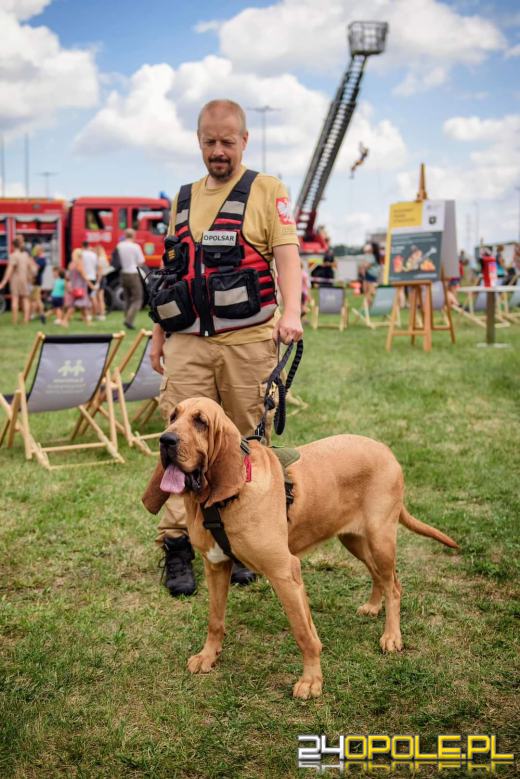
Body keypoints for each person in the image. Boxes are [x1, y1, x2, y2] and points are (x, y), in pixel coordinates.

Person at [149, 98, 303, 597]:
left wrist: (293, 313)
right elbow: (173, 274)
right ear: (199, 141)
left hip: (248, 341)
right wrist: (158, 333)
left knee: (246, 446)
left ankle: (244, 541)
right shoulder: (183, 198)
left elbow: (287, 256)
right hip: (188, 341)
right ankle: (178, 546)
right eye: (210, 142)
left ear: (244, 140)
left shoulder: (267, 189)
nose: (219, 151)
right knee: (178, 445)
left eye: (227, 142)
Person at [0, 235, 37, 324]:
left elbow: (9, 270)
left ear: (13, 245)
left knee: (15, 299)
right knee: (25, 299)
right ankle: (26, 320)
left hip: (15, 280)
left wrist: (3, 282)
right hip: (25, 279)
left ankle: (15, 320)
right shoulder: (26, 255)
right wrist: (31, 278)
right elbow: (33, 268)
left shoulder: (13, 256)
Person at [117, 228, 146, 329]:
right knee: (138, 298)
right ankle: (129, 320)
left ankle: (126, 318)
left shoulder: (120, 246)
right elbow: (141, 261)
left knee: (127, 297)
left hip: (123, 273)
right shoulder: (135, 246)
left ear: (125, 235)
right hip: (133, 273)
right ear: (133, 235)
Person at [63, 251, 94, 326]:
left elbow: (67, 277)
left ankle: (88, 322)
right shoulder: (79, 263)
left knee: (83, 305)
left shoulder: (71, 264)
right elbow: (83, 275)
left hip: (74, 286)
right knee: (75, 305)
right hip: (80, 287)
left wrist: (68, 286)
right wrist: (91, 284)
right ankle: (65, 320)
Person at [80, 241, 99, 318]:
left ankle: (86, 314)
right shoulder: (94, 255)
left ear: (83, 246)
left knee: (85, 297)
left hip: (85, 277)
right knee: (93, 296)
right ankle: (95, 313)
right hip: (93, 277)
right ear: (89, 246)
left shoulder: (82, 254)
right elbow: (97, 266)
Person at [30, 244, 47, 323]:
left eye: (36, 250)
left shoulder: (41, 260)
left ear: (40, 251)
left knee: (37, 299)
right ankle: (32, 314)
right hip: (35, 281)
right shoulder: (38, 259)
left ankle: (42, 314)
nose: (35, 252)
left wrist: (32, 261)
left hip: (36, 281)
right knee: (33, 299)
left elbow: (36, 269)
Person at [94, 245, 110, 320]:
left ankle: (101, 313)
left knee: (100, 297)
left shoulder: (100, 259)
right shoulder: (104, 258)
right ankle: (101, 313)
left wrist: (97, 282)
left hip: (100, 278)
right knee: (100, 297)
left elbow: (100, 272)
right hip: (104, 278)